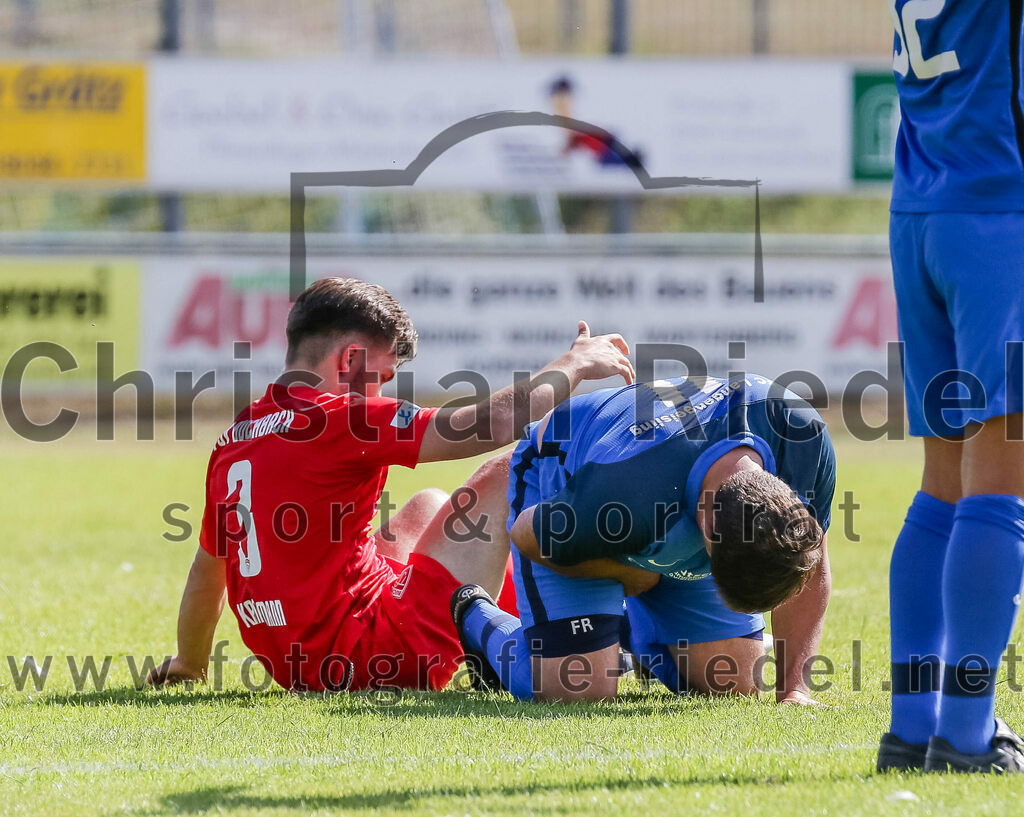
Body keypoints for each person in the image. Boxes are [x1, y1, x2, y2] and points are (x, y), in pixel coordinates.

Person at [148, 277, 633, 692]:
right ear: (349, 361)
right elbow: (494, 421)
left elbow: (207, 571)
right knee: (515, 466)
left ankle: (502, 626)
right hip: (373, 652)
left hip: (295, 662)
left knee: (428, 505)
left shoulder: (236, 437)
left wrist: (189, 663)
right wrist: (577, 363)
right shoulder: (344, 417)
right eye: (380, 375)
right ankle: (569, 633)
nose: (383, 391)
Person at [451, 373, 833, 703]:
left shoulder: (800, 436)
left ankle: (635, 635)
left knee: (730, 681)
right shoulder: (617, 498)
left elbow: (811, 561)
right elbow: (526, 535)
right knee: (579, 686)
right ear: (708, 536)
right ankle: (477, 618)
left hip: (657, 500)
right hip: (562, 472)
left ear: (787, 496)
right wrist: (629, 573)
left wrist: (794, 689)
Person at [876, 1, 1024, 774]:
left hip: (921, 211)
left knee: (944, 483)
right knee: (1001, 479)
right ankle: (968, 736)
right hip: (1000, 213)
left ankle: (912, 728)